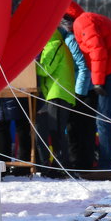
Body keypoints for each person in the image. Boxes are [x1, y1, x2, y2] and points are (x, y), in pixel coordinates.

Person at [64, 2, 111, 171]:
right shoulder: (88, 19)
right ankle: (105, 164)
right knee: (105, 119)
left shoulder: (82, 22)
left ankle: (104, 166)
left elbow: (98, 51)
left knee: (103, 120)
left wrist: (97, 82)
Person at [35, 30, 76, 174]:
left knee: (57, 130)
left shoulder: (54, 44)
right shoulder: (57, 44)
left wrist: (33, 60)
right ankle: (60, 163)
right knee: (57, 130)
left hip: (58, 93)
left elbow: (44, 69)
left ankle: (61, 165)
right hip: (58, 93)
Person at [59, 19, 97, 172]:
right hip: (77, 90)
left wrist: (78, 94)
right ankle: (80, 163)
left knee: (79, 129)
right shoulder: (64, 40)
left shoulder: (69, 40)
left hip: (83, 92)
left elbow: (83, 67)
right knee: (76, 130)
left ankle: (81, 164)